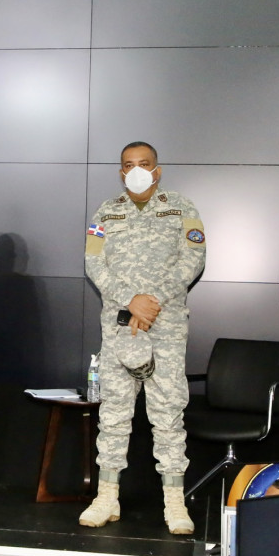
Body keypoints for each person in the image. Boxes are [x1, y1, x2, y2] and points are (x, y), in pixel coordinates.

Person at [79, 142, 207, 534]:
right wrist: (130, 300)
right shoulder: (106, 211)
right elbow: (93, 262)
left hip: (165, 327)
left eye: (144, 164)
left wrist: (152, 301)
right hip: (120, 327)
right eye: (128, 165)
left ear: (157, 170)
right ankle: (107, 498)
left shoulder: (181, 208)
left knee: (168, 413)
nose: (136, 170)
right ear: (121, 172)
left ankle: (174, 503)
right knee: (114, 414)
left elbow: (193, 258)